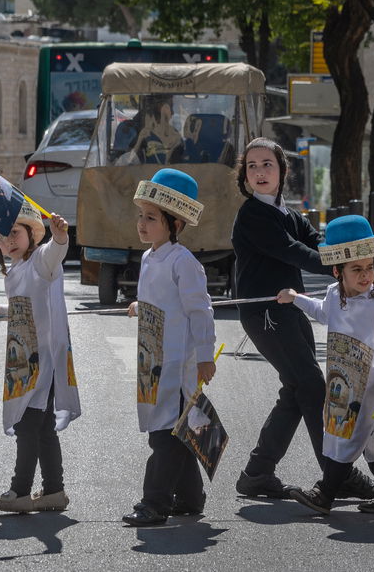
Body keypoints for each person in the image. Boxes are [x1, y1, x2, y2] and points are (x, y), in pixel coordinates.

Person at [230, 139, 374, 501]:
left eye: (267, 164)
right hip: (264, 311)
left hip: (291, 308)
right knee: (310, 384)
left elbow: (322, 246)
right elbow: (294, 252)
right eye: (252, 166)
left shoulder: (292, 214)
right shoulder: (252, 215)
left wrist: (366, 269)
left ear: (282, 170)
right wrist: (344, 271)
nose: (259, 172)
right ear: (244, 175)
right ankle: (336, 473)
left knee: (296, 390)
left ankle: (257, 472)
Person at [281, 214, 374, 515]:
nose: (366, 276)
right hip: (340, 381)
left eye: (370, 268)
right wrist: (296, 298)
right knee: (360, 439)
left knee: (349, 435)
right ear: (338, 271)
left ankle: (325, 494)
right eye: (357, 269)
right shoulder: (334, 296)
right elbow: (322, 312)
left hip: (370, 385)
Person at [0, 205, 80, 514]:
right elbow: (26, 311)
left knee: (26, 425)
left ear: (31, 234)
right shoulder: (16, 270)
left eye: (14, 233)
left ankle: (19, 491)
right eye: (1, 237)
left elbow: (55, 252)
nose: (8, 241)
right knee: (42, 428)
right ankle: (54, 490)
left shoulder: (39, 261)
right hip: (26, 361)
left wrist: (60, 237)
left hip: (44, 362)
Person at [122, 169, 216, 527]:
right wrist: (140, 306)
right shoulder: (149, 258)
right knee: (178, 434)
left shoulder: (184, 262)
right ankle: (191, 499)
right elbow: (159, 300)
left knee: (164, 437)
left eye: (151, 218)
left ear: (175, 224)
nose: (142, 224)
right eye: (140, 216)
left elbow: (200, 311)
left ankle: (154, 503)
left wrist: (205, 357)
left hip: (178, 366)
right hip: (153, 363)